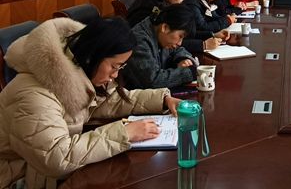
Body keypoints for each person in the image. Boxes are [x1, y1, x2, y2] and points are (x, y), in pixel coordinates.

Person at [0, 17, 181, 188]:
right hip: (17, 180)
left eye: (121, 67)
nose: (115, 75)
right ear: (91, 56)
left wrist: (163, 100)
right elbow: (56, 158)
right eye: (114, 66)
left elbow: (110, 101)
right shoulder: (33, 94)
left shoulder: (73, 72)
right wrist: (124, 133)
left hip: (44, 174)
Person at [123, 4, 205, 89]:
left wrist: (181, 59)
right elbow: (153, 81)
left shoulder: (160, 33)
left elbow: (178, 50)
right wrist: (188, 73)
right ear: (165, 27)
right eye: (180, 36)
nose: (180, 43)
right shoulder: (139, 41)